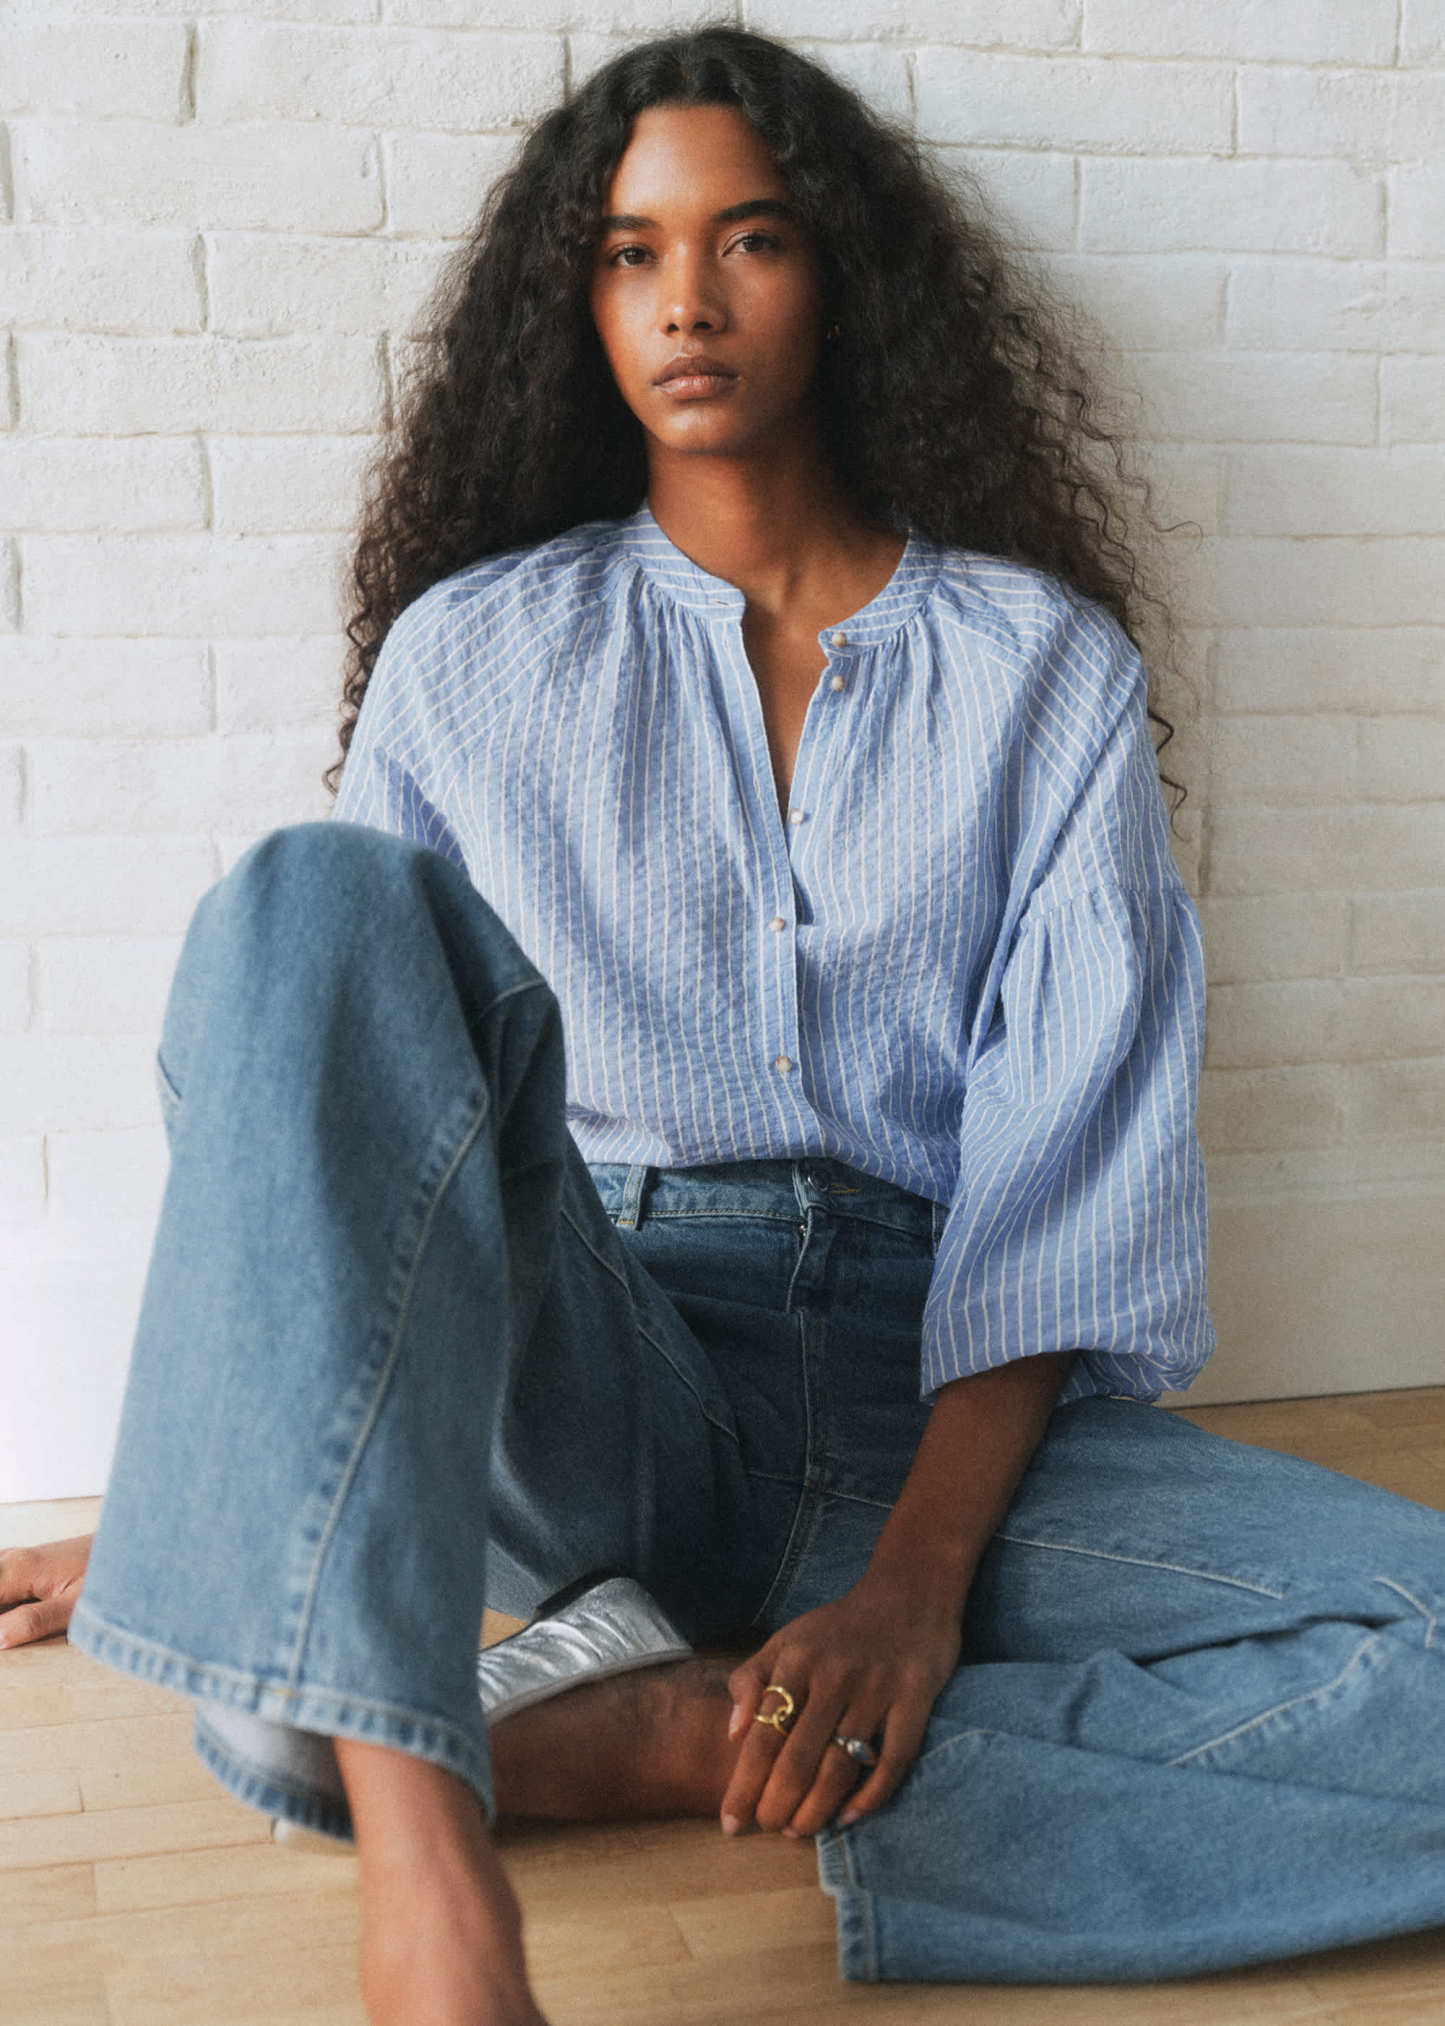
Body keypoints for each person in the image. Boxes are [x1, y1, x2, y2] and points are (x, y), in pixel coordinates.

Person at [6, 23, 1445, 2026]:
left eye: (749, 239)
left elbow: (1065, 1177)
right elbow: (349, 1084)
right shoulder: (472, 657)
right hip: (601, 1363)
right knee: (308, 900)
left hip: (946, 1395)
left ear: (841, 275)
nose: (686, 299)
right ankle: (426, 1847)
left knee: (1435, 1649)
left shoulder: (1044, 673)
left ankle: (663, 1730)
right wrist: (229, 1473)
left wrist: (910, 1600)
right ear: (578, 303)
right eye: (630, 253)